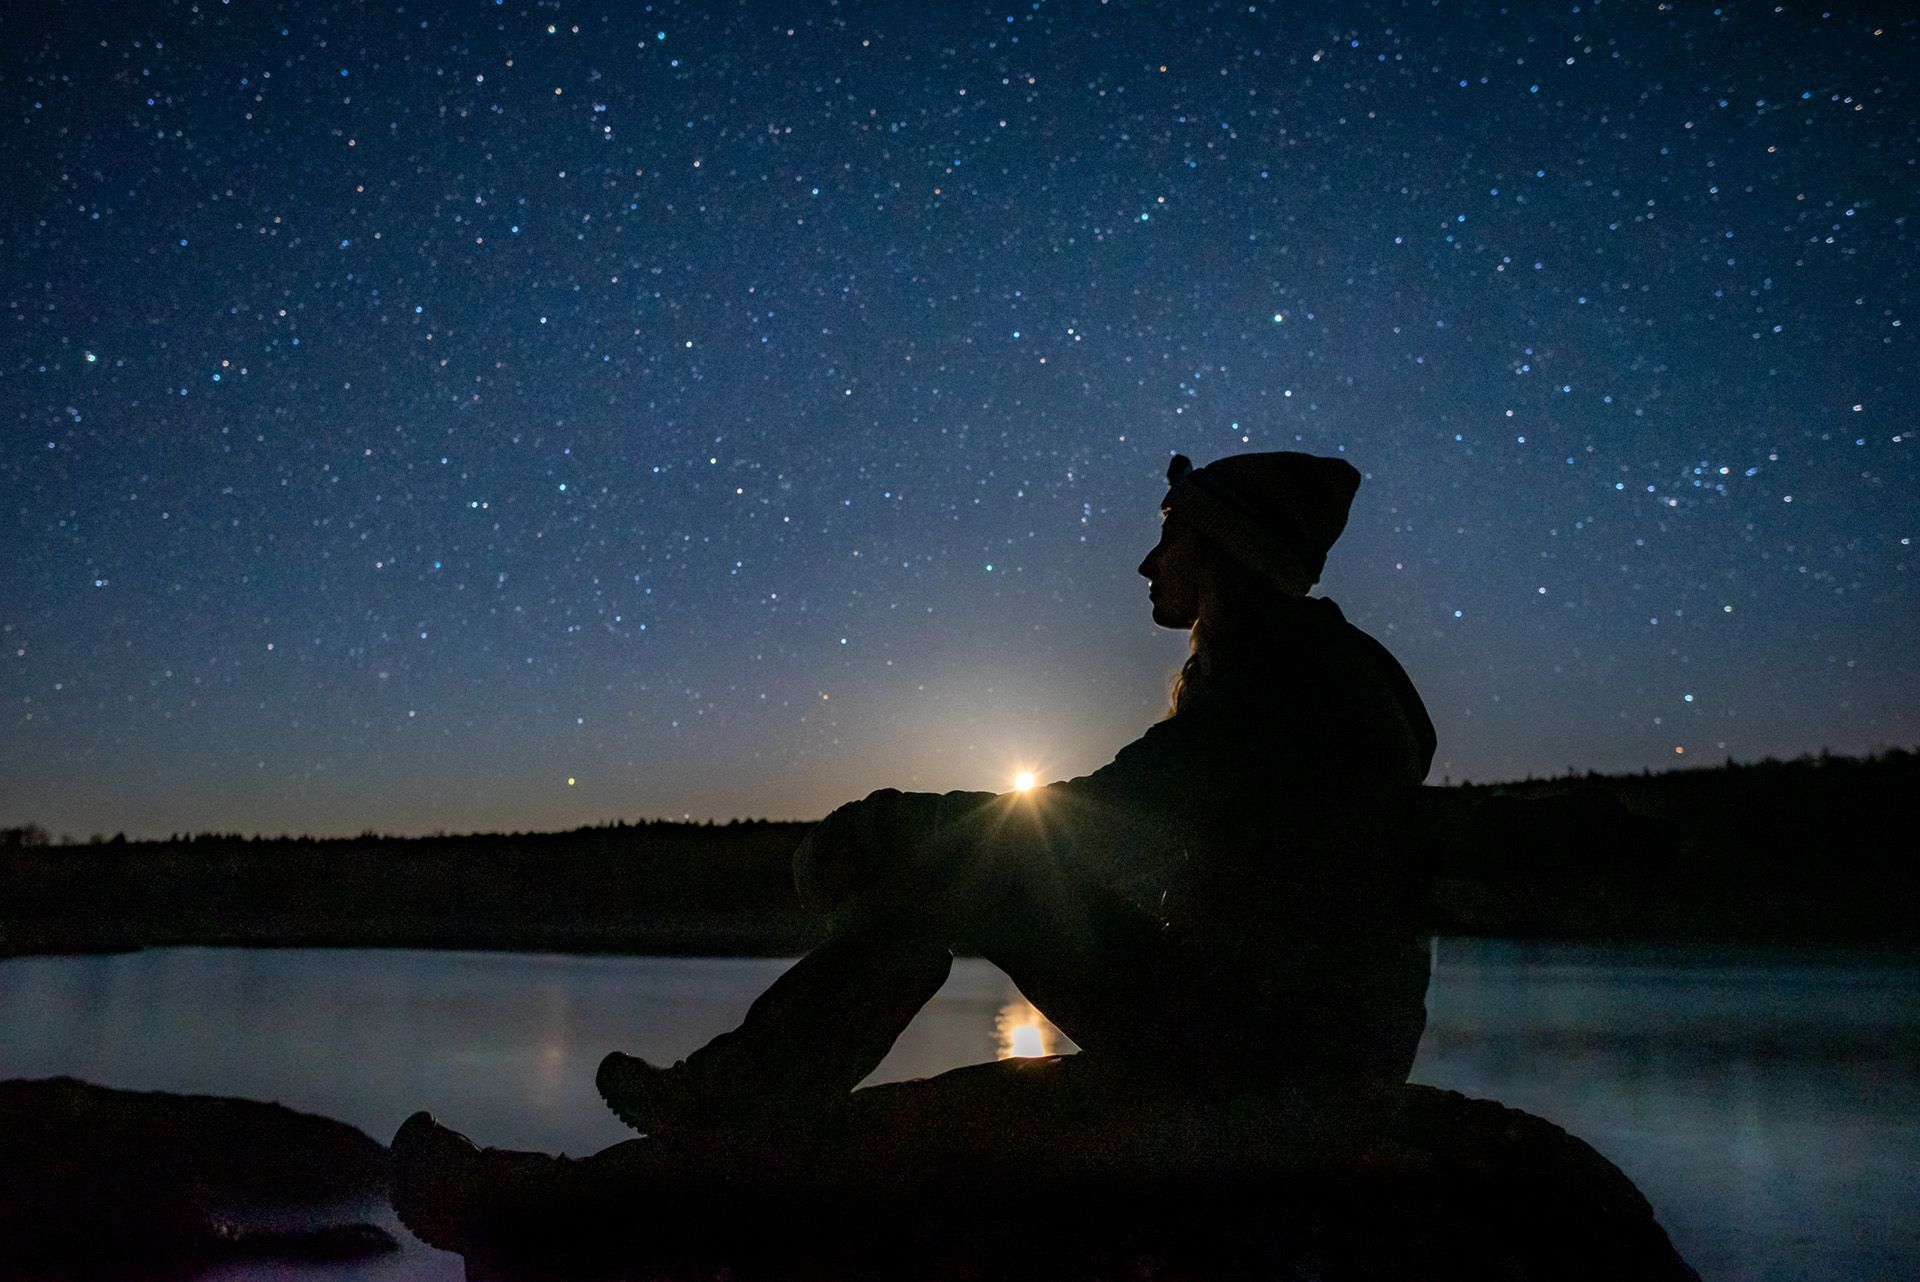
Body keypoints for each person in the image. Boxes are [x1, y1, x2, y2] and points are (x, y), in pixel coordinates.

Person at [392, 451, 1438, 1252]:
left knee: (990, 863)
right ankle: (732, 1103)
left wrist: (893, 829)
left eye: (1169, 535)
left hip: (1276, 1079)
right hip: (1263, 1044)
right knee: (982, 873)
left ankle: (715, 1115)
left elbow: (1110, 816)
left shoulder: (1286, 685)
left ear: (1222, 550)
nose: (1146, 561)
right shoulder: (1295, 678)